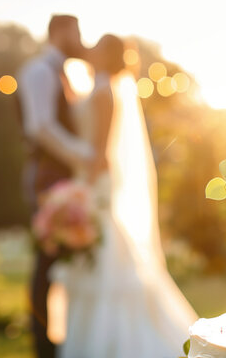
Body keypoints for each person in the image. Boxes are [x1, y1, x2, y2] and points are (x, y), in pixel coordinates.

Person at [49, 34, 198, 357]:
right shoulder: (97, 88)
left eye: (98, 47)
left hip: (96, 185)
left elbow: (101, 154)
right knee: (96, 264)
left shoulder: (106, 93)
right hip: (89, 182)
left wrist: (80, 194)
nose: (90, 50)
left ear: (108, 55)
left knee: (107, 264)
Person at [16, 15, 93, 358]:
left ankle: (63, 336)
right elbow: (41, 127)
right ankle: (42, 344)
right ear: (59, 32)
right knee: (46, 259)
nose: (79, 39)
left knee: (62, 257)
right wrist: (83, 156)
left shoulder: (65, 74)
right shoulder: (39, 72)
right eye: (75, 32)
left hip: (65, 176)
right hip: (48, 177)